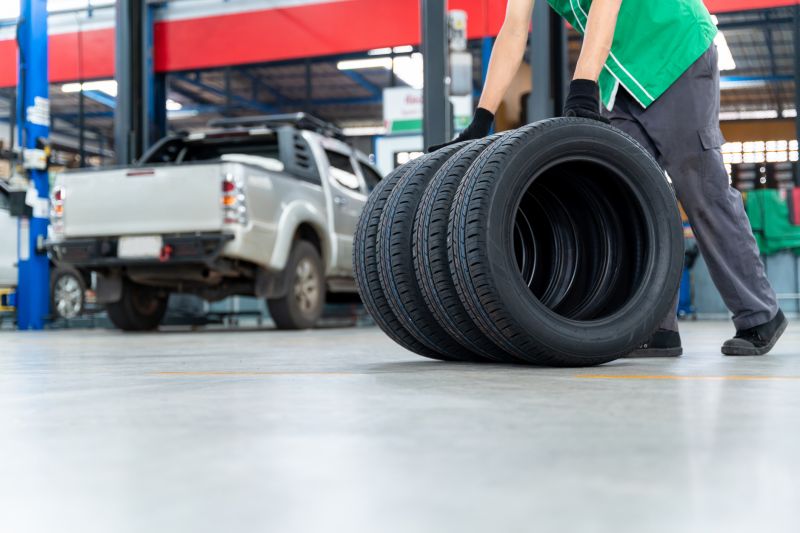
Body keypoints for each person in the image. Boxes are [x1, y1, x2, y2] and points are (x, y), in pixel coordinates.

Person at [431, 0, 787, 357]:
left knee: (700, 189)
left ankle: (759, 314)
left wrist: (582, 86)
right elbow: (512, 30)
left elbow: (605, 5)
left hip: (674, 49)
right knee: (630, 199)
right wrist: (482, 117)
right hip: (618, 73)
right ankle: (655, 327)